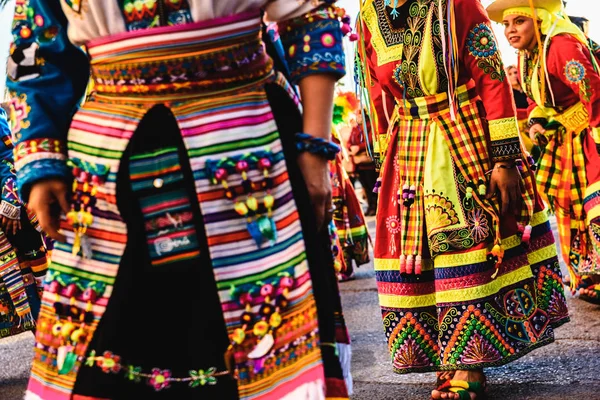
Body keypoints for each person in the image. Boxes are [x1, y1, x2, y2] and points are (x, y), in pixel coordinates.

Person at [7, 1, 352, 399]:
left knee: (267, 341)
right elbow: (35, 51)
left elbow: (308, 17)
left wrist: (314, 148)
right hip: (112, 166)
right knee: (108, 346)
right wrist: (40, 164)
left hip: (251, 152)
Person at [355, 0, 569, 398]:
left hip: (462, 135)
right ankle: (446, 355)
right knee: (420, 256)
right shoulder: (369, 14)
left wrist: (504, 158)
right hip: (409, 148)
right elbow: (376, 92)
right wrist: (386, 157)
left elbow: (491, 78)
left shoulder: (455, 4)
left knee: (465, 244)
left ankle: (468, 364)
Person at [487, 0, 600, 301]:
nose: (511, 30)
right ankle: (590, 276)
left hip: (591, 134)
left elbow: (594, 93)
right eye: (506, 25)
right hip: (567, 139)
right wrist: (537, 121)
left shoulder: (561, 44)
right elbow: (537, 98)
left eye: (519, 22)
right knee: (570, 207)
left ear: (538, 21)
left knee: (595, 204)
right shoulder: (527, 54)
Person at [0, 105, 49, 340]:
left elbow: (8, 158)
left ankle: (49, 342)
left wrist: (8, 201)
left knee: (31, 276)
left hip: (8, 212)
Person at [506, 65, 541, 158]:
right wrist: (528, 112)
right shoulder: (508, 93)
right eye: (510, 74)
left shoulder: (526, 88)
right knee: (532, 147)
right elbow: (512, 111)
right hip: (521, 126)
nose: (514, 75)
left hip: (534, 119)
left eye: (515, 72)